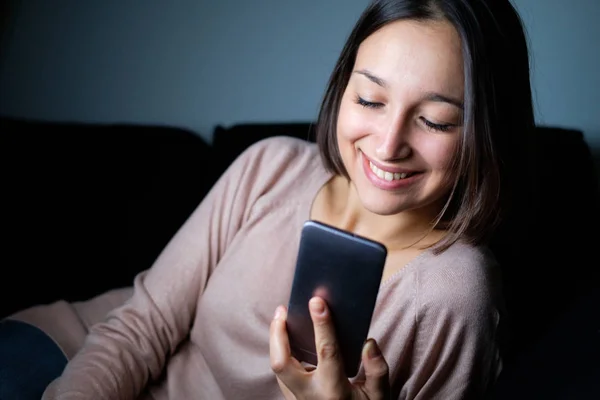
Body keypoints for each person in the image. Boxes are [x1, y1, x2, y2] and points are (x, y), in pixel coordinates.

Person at [3, 0, 535, 398]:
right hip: (77, 353)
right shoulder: (272, 165)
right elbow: (144, 323)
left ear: (487, 133)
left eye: (434, 120)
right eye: (370, 99)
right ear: (341, 90)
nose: (389, 144)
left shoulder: (454, 292)